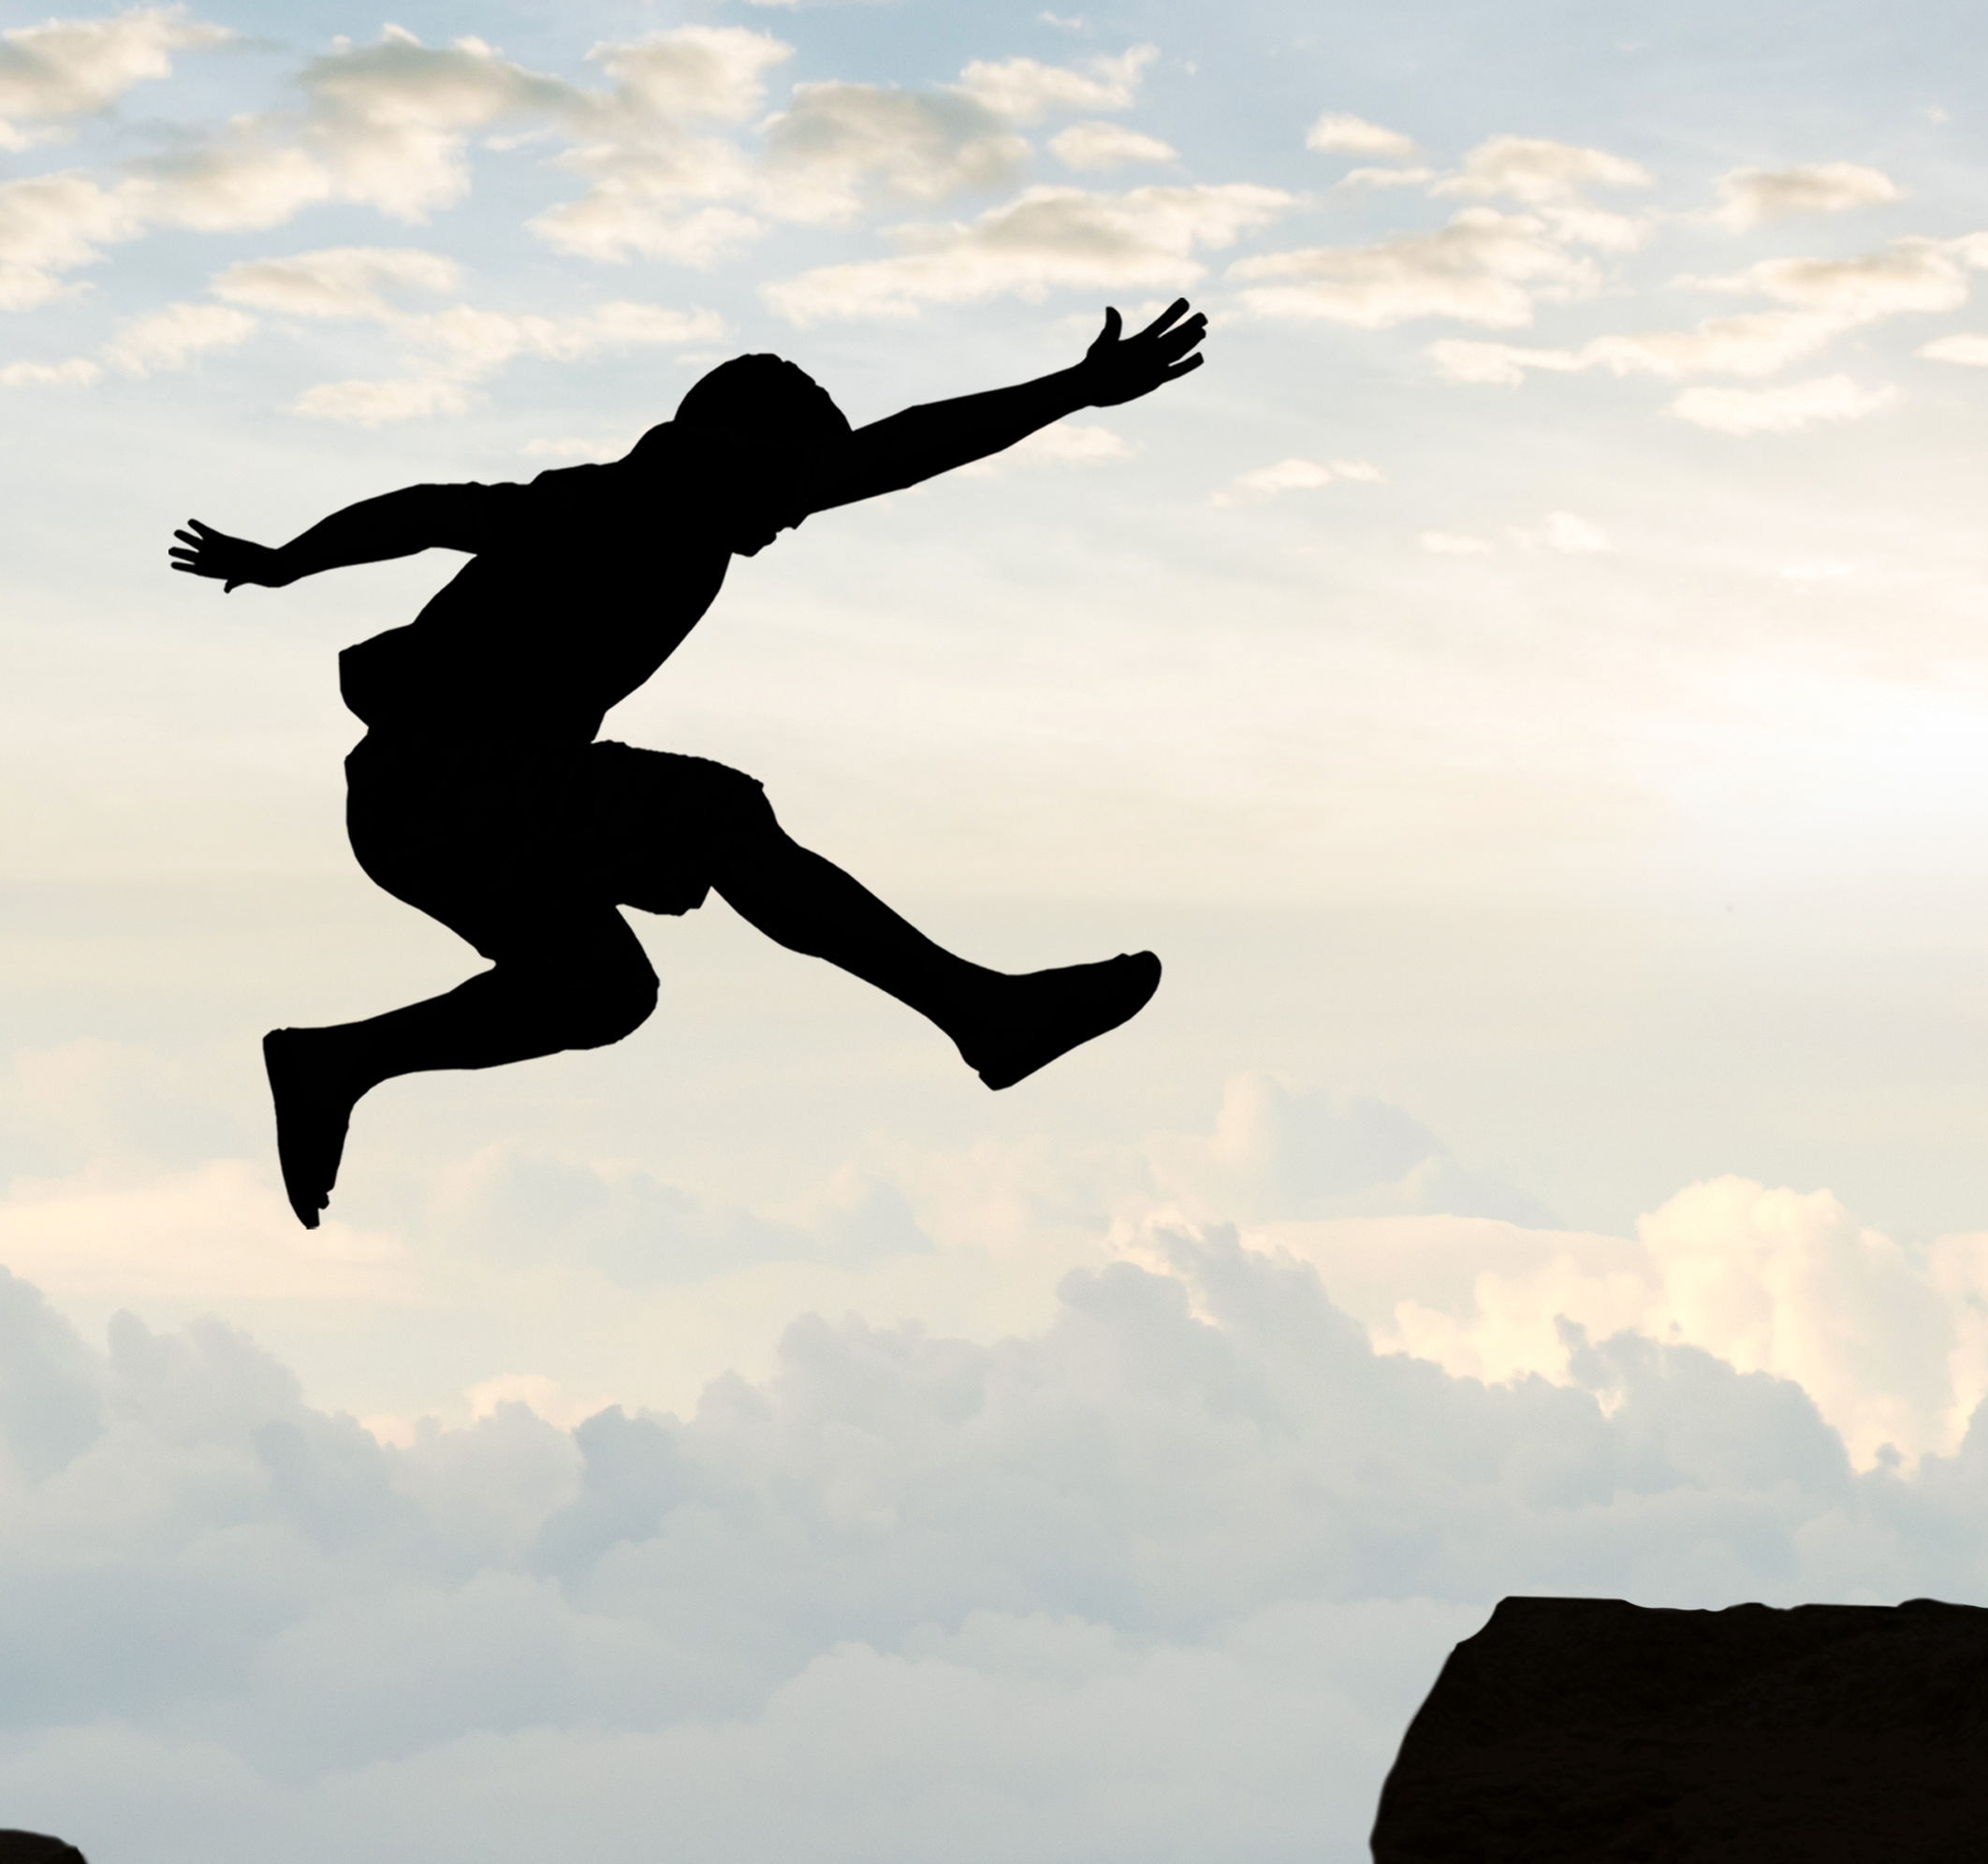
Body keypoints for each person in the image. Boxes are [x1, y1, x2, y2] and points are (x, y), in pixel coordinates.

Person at [170, 297, 1210, 1226]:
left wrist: (286, 560)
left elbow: (429, 509)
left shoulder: (582, 493)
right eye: (789, 488)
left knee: (597, 990)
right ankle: (985, 1016)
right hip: (449, 779)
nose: (782, 524)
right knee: (712, 814)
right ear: (759, 447)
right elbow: (898, 452)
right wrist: (1075, 388)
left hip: (417, 808)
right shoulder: (697, 472)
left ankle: (334, 1061)